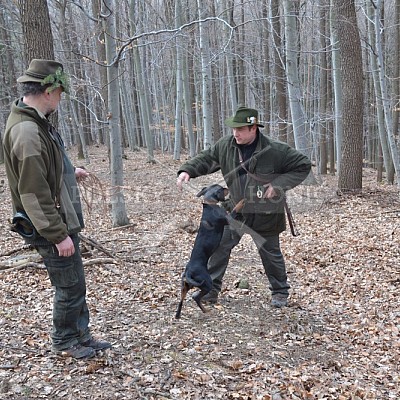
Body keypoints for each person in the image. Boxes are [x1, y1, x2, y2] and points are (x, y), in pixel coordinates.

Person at [3, 59, 111, 359]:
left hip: (59, 219)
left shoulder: (35, 122)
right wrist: (56, 234)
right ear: (48, 91)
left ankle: (82, 335)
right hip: (49, 225)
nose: (61, 99)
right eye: (60, 92)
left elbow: (43, 169)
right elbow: (31, 192)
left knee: (75, 282)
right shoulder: (26, 131)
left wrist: (68, 171)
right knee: (69, 286)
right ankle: (65, 341)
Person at [177, 106, 311, 308]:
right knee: (220, 246)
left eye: (240, 129)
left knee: (270, 254)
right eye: (234, 129)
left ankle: (280, 292)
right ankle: (211, 290)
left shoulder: (276, 150)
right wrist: (187, 170)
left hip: (266, 212)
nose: (235, 133)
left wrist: (278, 185)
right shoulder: (226, 146)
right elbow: (207, 158)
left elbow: (303, 165)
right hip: (235, 210)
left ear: (253, 128)